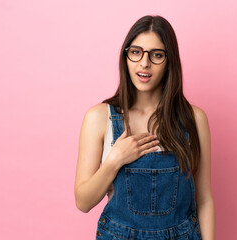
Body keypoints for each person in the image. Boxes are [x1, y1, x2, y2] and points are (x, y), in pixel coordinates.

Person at [74, 15, 215, 240]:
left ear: (170, 62)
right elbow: (83, 202)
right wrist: (115, 160)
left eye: (156, 55)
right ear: (126, 56)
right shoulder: (100, 118)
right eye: (136, 52)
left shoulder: (194, 119)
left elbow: (204, 199)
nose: (144, 63)